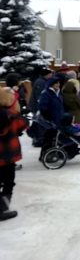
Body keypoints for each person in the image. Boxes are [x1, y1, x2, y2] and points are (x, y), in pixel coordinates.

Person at [0, 73, 28, 221]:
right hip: (8, 155)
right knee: (8, 182)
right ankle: (2, 208)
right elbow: (23, 125)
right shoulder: (11, 116)